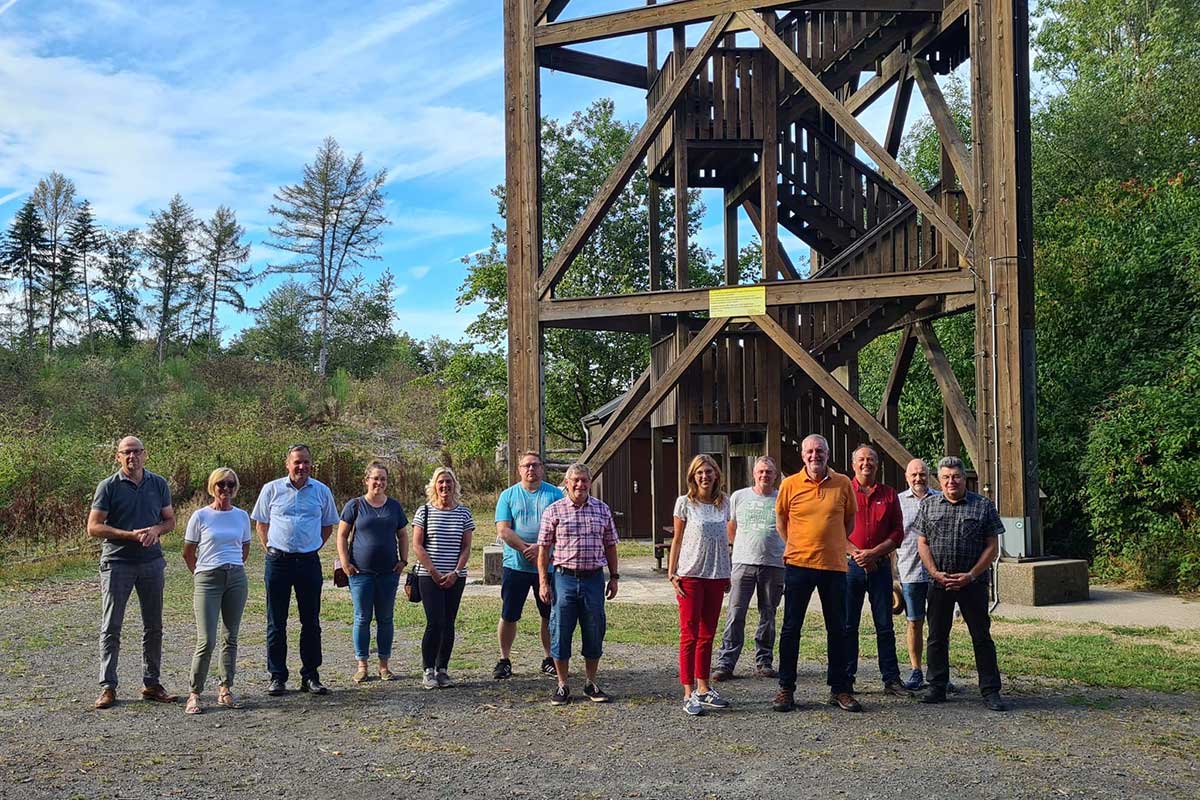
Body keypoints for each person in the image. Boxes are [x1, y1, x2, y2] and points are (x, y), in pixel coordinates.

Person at [87, 435, 177, 709]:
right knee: (112, 626)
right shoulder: (108, 487)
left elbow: (170, 520)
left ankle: (151, 683)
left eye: (136, 452)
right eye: (126, 453)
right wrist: (128, 535)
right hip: (117, 563)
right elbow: (94, 527)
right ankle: (108, 686)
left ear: (144, 454)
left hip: (151, 562)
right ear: (118, 456)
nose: (132, 457)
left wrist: (155, 530)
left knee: (154, 626)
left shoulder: (158, 483)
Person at [772, 434, 860, 713]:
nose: (814, 455)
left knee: (838, 629)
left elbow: (849, 521)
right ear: (802, 455)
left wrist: (831, 543)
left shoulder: (843, 483)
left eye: (819, 450)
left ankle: (840, 689)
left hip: (833, 566)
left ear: (828, 453)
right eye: (809, 451)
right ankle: (786, 688)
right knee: (791, 628)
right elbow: (781, 520)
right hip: (798, 564)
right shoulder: (789, 484)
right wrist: (797, 545)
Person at [915, 456, 1007, 712]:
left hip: (972, 582)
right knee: (936, 636)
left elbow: (992, 545)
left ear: (964, 479)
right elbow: (922, 542)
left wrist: (971, 574)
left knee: (981, 637)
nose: (950, 481)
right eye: (945, 477)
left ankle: (990, 690)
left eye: (955, 476)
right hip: (939, 581)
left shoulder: (983, 506)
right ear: (940, 480)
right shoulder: (928, 505)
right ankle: (936, 686)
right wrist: (934, 572)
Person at [251, 444, 339, 696]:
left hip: (308, 563)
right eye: (297, 462)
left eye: (306, 463)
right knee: (276, 622)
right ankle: (277, 676)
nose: (302, 467)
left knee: (310, 622)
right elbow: (261, 523)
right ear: (287, 464)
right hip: (278, 561)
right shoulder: (272, 489)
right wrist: (270, 548)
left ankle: (310, 676)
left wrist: (310, 547)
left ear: (312, 465)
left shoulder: (321, 491)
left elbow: (327, 526)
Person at [537, 463, 619, 706]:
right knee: (560, 629)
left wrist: (614, 577)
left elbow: (611, 545)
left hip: (594, 578)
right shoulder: (554, 511)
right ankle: (562, 684)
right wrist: (543, 581)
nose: (580, 485)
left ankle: (590, 682)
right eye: (575, 480)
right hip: (564, 578)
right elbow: (543, 549)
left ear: (590, 482)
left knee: (594, 629)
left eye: (584, 480)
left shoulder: (602, 510)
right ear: (566, 482)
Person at [668, 454, 733, 716]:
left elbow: (726, 542)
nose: (705, 477)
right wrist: (672, 573)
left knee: (708, 635)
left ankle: (704, 687)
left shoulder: (724, 503)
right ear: (693, 477)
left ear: (716, 474)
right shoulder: (685, 503)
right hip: (691, 576)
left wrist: (727, 572)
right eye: (699, 473)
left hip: (716, 576)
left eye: (709, 472)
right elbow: (677, 539)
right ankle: (687, 692)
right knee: (690, 634)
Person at [182, 467, 251, 714]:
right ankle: (195, 693)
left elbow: (244, 549)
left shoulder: (242, 516)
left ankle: (225, 689)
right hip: (208, 578)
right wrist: (201, 573)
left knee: (230, 637)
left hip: (235, 578)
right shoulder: (200, 516)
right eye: (221, 484)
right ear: (213, 487)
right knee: (207, 640)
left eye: (231, 484)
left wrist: (233, 569)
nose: (226, 489)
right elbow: (188, 552)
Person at [843, 445, 909, 697]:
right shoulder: (844, 491)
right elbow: (835, 528)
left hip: (880, 568)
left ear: (877, 465)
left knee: (885, 625)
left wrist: (874, 553)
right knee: (849, 626)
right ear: (853, 464)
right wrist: (857, 553)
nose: (866, 463)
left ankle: (891, 679)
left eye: (871, 459)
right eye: (861, 459)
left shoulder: (889, 494)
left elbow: (897, 532)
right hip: (850, 568)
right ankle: (846, 679)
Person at [336, 461, 409, 684]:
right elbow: (341, 536)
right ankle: (362, 666)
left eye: (383, 479)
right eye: (375, 478)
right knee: (362, 618)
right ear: (366, 480)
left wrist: (403, 560)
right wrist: (345, 563)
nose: (379, 483)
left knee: (386, 619)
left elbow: (403, 535)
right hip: (360, 574)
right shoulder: (355, 505)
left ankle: (384, 666)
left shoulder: (394, 507)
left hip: (388, 574)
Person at [713, 456, 785, 683]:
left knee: (768, 614)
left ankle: (764, 661)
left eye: (769, 472)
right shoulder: (739, 497)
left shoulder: (781, 498)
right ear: (754, 474)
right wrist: (738, 549)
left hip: (773, 563)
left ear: (775, 476)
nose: (765, 475)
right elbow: (731, 527)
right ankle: (726, 662)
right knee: (735, 613)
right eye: (761, 471)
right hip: (743, 562)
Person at [493, 451, 563, 680]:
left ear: (542, 468)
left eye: (535, 465)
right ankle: (504, 659)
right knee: (509, 614)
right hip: (516, 566)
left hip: (549, 567)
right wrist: (527, 549)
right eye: (526, 466)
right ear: (519, 469)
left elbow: (563, 528)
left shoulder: (555, 494)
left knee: (548, 615)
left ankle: (549, 659)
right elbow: (503, 529)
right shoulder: (508, 495)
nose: (531, 469)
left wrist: (541, 550)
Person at [411, 466, 474, 690]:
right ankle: (428, 669)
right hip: (429, 577)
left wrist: (456, 572)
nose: (445, 486)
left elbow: (466, 546)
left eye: (449, 482)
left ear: (454, 485)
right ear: (434, 486)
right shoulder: (424, 511)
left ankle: (443, 669)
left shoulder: (464, 513)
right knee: (434, 622)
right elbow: (417, 545)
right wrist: (435, 573)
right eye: (441, 482)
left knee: (449, 623)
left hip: (456, 576)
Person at [896, 458, 940, 690]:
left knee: (938, 625)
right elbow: (893, 539)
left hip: (937, 573)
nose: (918, 478)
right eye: (913, 475)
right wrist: (894, 577)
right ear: (907, 477)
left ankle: (938, 673)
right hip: (910, 571)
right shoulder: (899, 502)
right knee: (914, 622)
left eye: (922, 474)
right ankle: (916, 670)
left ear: (928, 475)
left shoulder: (940, 499)